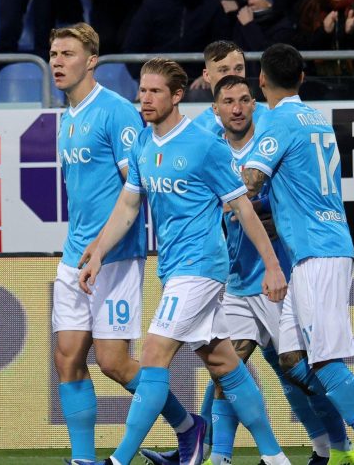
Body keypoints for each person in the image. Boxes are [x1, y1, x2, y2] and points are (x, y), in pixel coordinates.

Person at [75, 57, 292, 465]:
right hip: (174, 268)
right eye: (142, 90)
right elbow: (128, 206)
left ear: (177, 96)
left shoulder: (204, 144)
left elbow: (243, 209)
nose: (145, 99)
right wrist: (99, 251)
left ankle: (118, 460)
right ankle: (275, 456)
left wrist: (273, 266)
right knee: (223, 362)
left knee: (154, 354)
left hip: (201, 266)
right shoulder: (142, 143)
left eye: (155, 91)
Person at [242, 43, 354, 465]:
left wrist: (211, 186)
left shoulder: (277, 121)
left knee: (325, 361)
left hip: (318, 252)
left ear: (261, 80)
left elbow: (251, 180)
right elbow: (299, 183)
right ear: (301, 78)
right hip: (315, 249)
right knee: (292, 359)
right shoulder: (316, 118)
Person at [49, 23, 193, 464]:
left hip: (115, 256)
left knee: (113, 361)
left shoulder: (115, 112)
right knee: (67, 358)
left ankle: (189, 427)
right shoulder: (66, 118)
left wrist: (103, 245)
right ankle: (83, 459)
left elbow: (137, 186)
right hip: (75, 255)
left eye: (68, 54)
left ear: (92, 61)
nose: (57, 62)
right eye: (53, 54)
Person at [293, 0, 354, 100]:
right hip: (317, 82)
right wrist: (323, 32)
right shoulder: (310, 8)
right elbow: (301, 49)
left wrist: (353, 33)